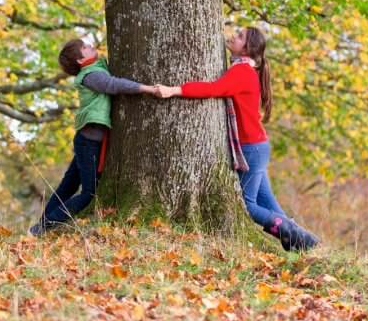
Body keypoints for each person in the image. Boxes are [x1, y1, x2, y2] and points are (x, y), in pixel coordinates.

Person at [163, 27, 320, 251]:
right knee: (268, 204)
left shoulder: (242, 72)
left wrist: (175, 90)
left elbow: (213, 89)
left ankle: (305, 241)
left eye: (239, 36)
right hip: (257, 146)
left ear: (247, 48)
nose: (233, 36)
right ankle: (303, 245)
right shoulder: (244, 69)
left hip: (252, 149)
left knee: (248, 205)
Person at [30, 38, 168, 236]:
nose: (90, 46)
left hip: (87, 141)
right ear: (80, 60)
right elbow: (114, 85)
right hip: (88, 143)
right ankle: (46, 225)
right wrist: (148, 89)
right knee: (88, 193)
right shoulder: (91, 76)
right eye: (85, 47)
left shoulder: (96, 68)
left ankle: (42, 224)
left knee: (68, 185)